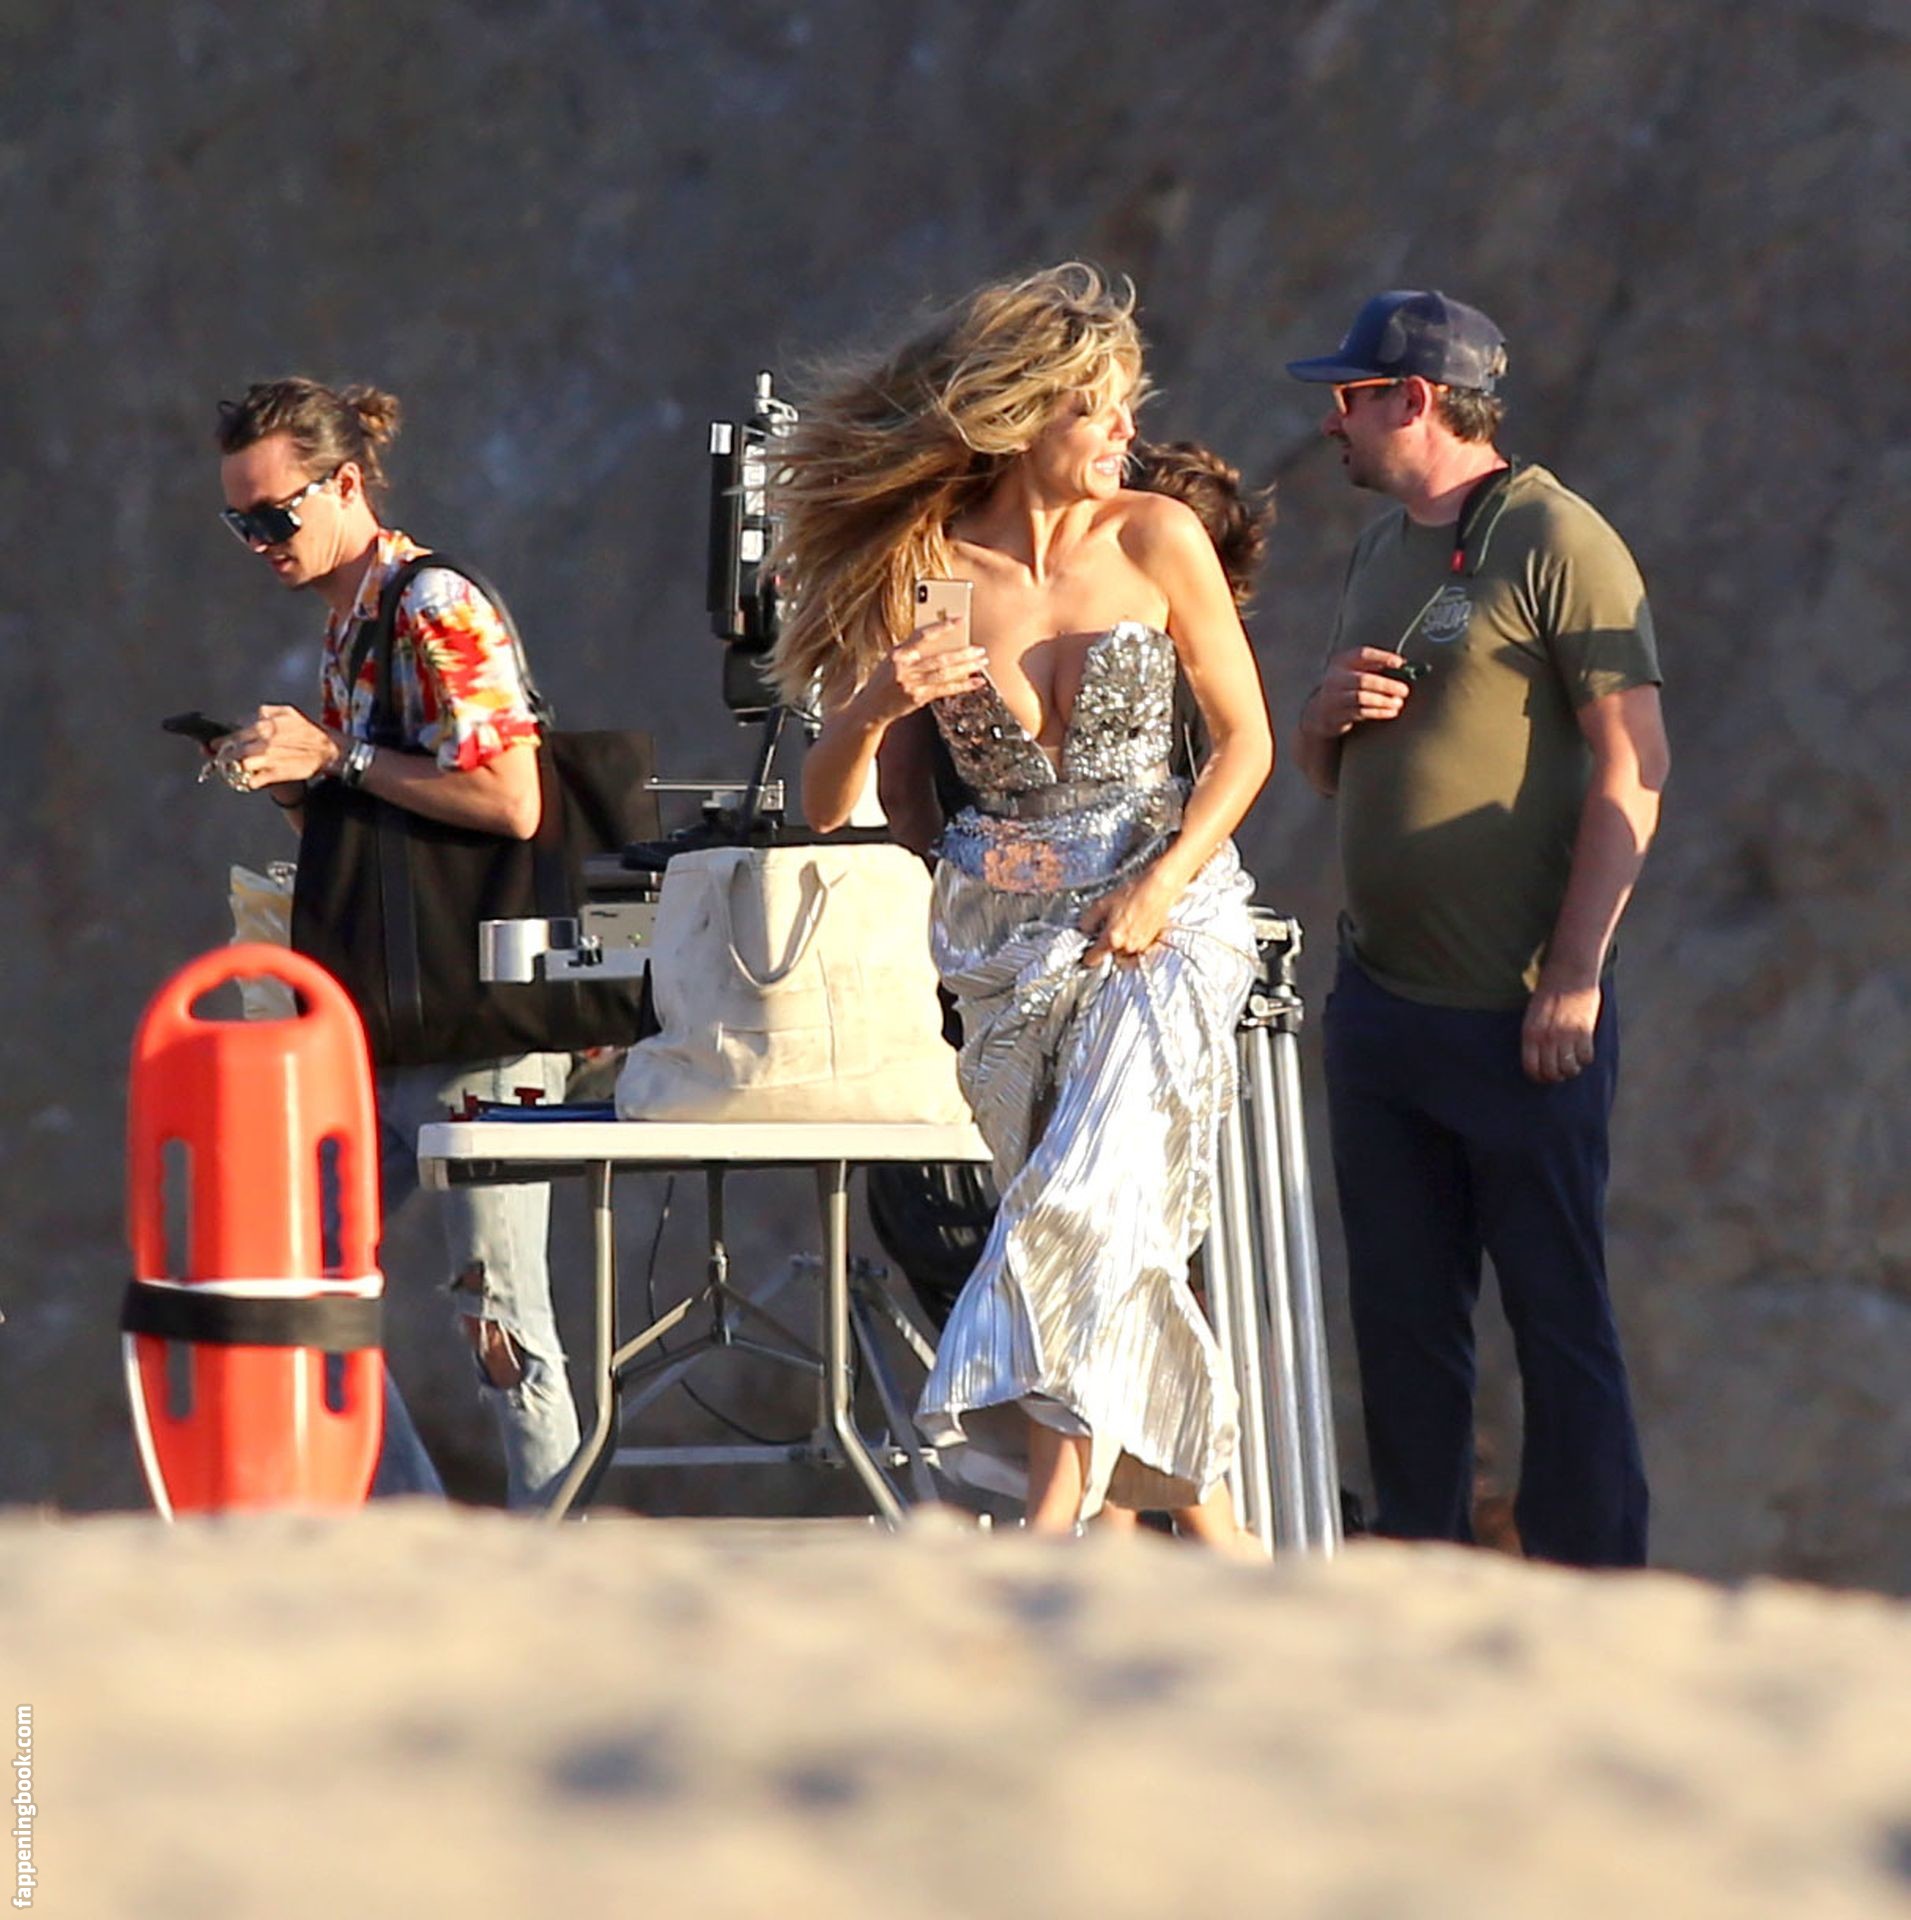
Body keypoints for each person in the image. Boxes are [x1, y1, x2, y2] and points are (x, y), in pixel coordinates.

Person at [772, 264, 1275, 1542]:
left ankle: (1048, 1530)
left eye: (1125, 404)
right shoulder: (930, 570)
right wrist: (877, 704)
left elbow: (1246, 744)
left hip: (1166, 916)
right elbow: (843, 804)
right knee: (1100, 1229)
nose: (1125, 432)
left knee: (1082, 1202)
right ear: (1018, 415)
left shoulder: (1157, 537)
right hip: (1001, 950)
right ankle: (1223, 1545)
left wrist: (1162, 881)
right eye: (1096, 407)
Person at [1288, 290, 1669, 1567]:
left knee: (1558, 1317)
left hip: (1520, 1012)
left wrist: (1575, 973)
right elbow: (1330, 774)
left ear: (1416, 399)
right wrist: (1322, 718)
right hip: (1382, 1006)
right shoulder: (1379, 550)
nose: (1329, 422)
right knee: (1401, 1319)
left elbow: (1635, 765)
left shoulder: (1560, 537)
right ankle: (1419, 1569)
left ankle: (1596, 1583)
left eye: (1348, 398)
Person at [211, 378, 581, 1508]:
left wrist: (338, 759)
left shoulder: (435, 603)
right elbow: (376, 823)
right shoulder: (349, 623)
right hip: (389, 1013)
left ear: (346, 485)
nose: (261, 541)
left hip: (480, 1018)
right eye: (240, 522)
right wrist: (295, 781)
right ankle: (412, 1527)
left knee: (501, 1315)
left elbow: (512, 798)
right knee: (301, 1278)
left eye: (276, 514)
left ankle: (558, 1549)